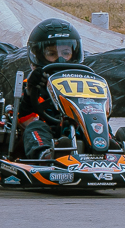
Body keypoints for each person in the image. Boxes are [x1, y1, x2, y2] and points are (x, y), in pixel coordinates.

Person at [15, 18, 83, 158]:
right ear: (39, 56)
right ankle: (45, 155)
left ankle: (110, 148)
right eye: (52, 54)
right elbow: (25, 121)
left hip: (79, 128)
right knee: (35, 127)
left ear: (74, 54)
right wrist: (31, 91)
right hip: (47, 132)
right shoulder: (32, 84)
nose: (60, 60)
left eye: (65, 53)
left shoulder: (84, 82)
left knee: (97, 126)